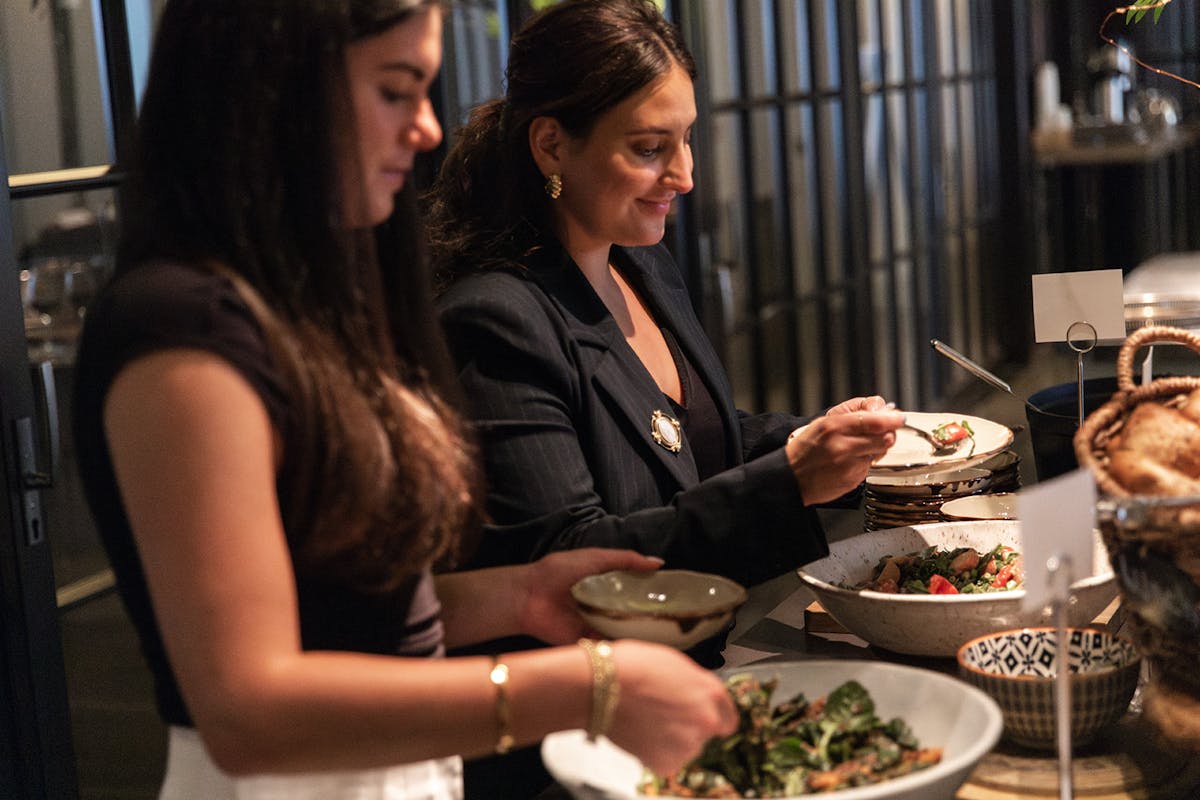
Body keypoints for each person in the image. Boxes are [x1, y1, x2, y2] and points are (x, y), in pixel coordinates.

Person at [71, 2, 738, 798]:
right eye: (396, 91)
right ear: (276, 89)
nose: (426, 129)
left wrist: (520, 595)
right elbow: (248, 710)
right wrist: (586, 686)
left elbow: (347, 617)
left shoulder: (299, 303)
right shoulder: (182, 325)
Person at [426, 1, 902, 794]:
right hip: (577, 744)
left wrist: (825, 440)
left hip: (688, 687)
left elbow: (686, 441)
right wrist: (789, 479)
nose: (684, 176)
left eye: (685, 141)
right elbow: (576, 563)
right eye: (650, 149)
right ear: (552, 144)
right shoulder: (495, 319)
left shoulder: (637, 266)